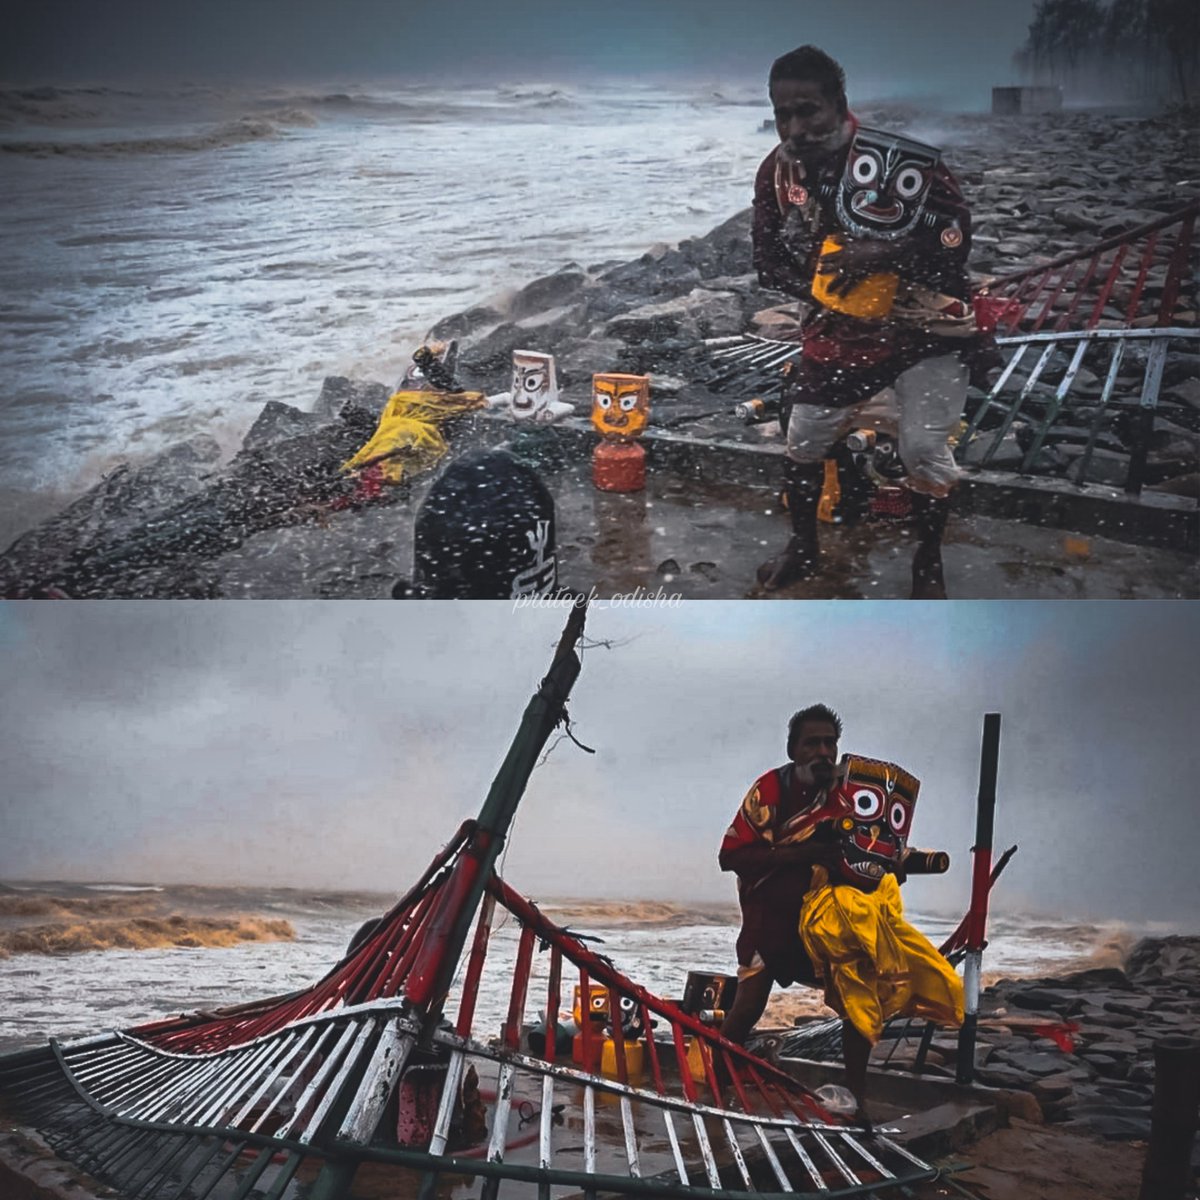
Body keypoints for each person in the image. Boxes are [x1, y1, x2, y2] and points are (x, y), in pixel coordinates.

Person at [752, 46, 980, 599]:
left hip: (927, 330)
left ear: (839, 103)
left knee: (923, 451)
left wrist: (882, 255)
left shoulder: (903, 165)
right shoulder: (779, 172)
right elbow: (766, 259)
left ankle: (928, 562)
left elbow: (955, 239)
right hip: (837, 332)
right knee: (804, 436)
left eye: (808, 111)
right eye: (783, 115)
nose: (796, 129)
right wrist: (827, 292)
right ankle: (803, 545)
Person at [720, 704, 963, 1126]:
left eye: (829, 743)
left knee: (858, 996)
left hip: (834, 920)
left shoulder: (850, 792)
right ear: (793, 749)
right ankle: (717, 1082)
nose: (822, 751)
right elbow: (731, 856)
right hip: (772, 918)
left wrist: (892, 864)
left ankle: (855, 1099)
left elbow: (872, 846)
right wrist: (805, 853)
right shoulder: (771, 791)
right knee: (748, 1005)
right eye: (811, 743)